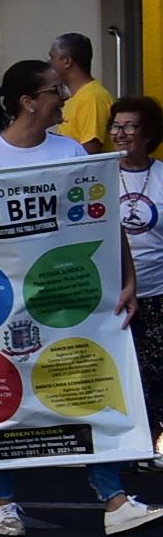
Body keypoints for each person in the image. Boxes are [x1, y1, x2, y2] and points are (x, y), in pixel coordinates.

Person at [0, 61, 158, 537]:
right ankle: (2, 500)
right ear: (28, 102)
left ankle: (114, 498)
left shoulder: (69, 150)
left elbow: (102, 217)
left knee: (88, 386)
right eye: (54, 91)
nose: (63, 98)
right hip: (4, 301)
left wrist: (128, 277)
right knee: (5, 396)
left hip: (66, 295)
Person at [114, 96, 163, 461]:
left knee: (155, 372)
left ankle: (152, 443)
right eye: (115, 126)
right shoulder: (98, 173)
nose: (120, 134)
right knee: (118, 373)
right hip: (110, 294)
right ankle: (122, 446)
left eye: (130, 126)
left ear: (148, 134)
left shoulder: (161, 176)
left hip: (157, 290)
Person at [51, 30, 114, 152]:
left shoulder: (92, 97)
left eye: (52, 57)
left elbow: (90, 153)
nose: (50, 64)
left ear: (67, 61)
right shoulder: (75, 98)